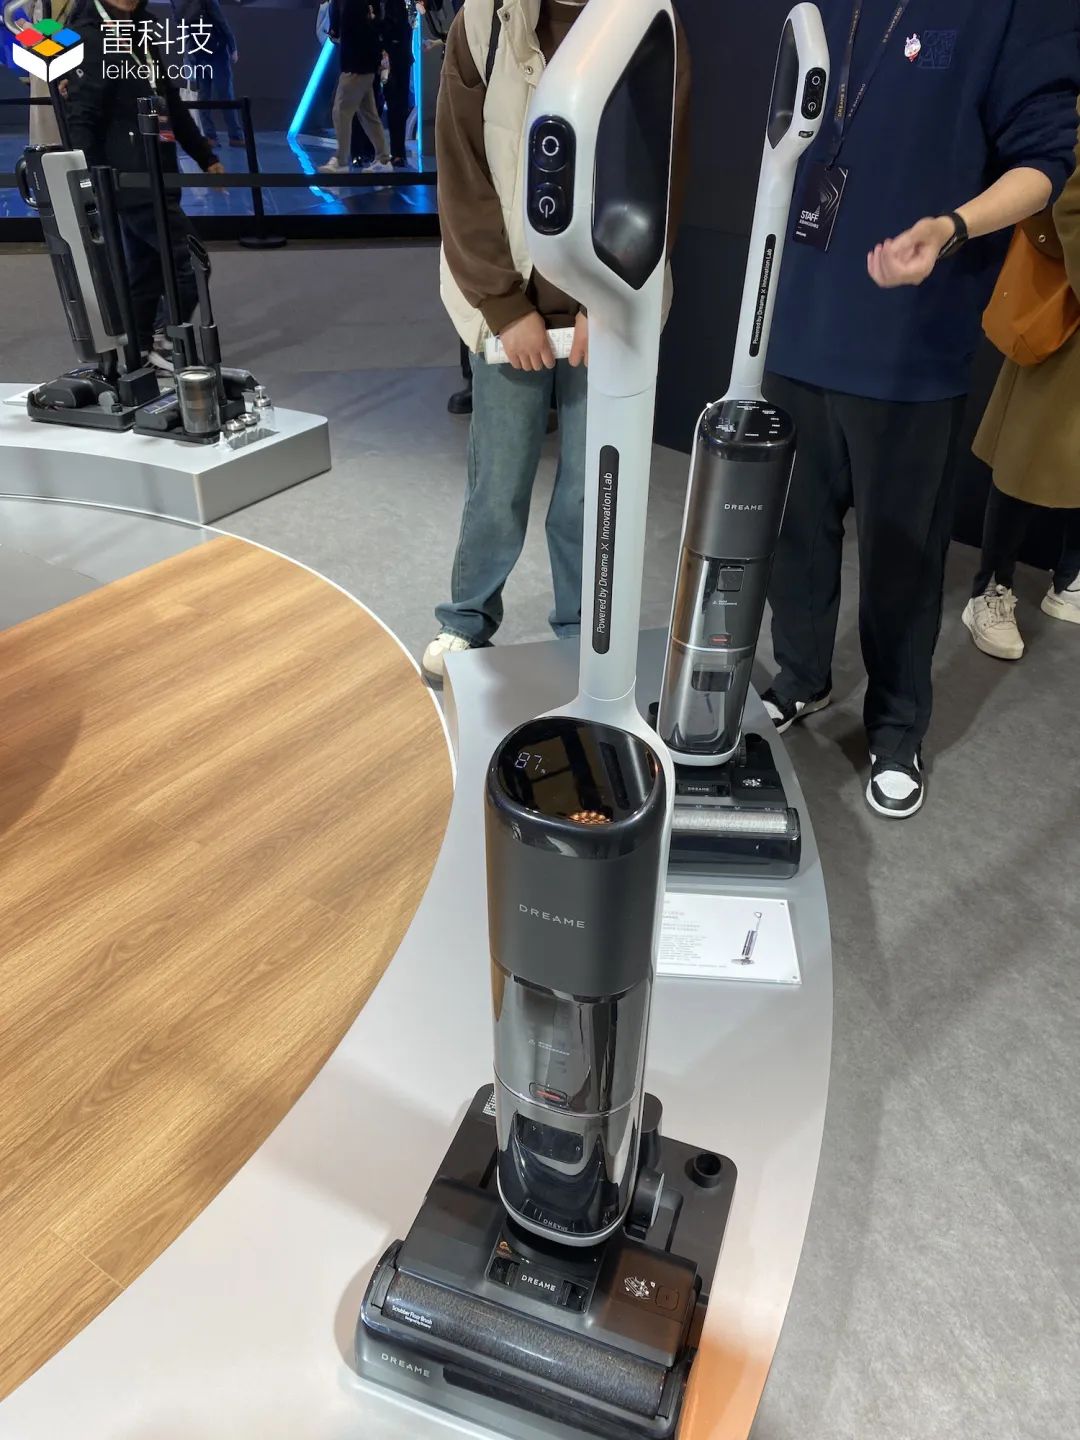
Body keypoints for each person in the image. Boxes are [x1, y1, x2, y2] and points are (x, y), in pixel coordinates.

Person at [763, 0, 1080, 819]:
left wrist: (950, 227)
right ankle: (800, 675)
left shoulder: (1012, 12)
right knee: (795, 530)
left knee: (902, 556)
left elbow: (1045, 162)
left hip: (910, 340)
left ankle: (897, 728)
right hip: (800, 318)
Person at [421, 0, 690, 685]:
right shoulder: (483, 21)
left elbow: (662, 170)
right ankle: (467, 619)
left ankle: (582, 628)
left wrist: (614, 295)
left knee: (594, 486)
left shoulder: (649, 19)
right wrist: (504, 306)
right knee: (498, 475)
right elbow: (461, 168)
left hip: (612, 305)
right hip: (509, 299)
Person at [963, 122, 1080, 660]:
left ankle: (1069, 577)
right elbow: (1069, 205)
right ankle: (990, 587)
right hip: (1067, 315)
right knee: (1026, 456)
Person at [64, 0, 224, 361]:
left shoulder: (142, 28)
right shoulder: (88, 36)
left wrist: (205, 156)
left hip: (160, 168)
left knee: (147, 270)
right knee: (190, 263)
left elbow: (169, 100)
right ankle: (165, 340)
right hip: (128, 178)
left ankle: (140, 353)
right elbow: (82, 119)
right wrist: (93, 184)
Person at [319, 0, 392, 174]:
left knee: (341, 111)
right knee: (368, 114)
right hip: (361, 65)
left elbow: (361, 30)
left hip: (356, 66)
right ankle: (383, 159)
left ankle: (341, 160)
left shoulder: (354, 4)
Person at [178, 0, 244, 147]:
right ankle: (227, 136)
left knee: (214, 96)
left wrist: (232, 46)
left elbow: (220, 22)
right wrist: (233, 47)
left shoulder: (183, 4)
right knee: (216, 96)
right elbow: (221, 22)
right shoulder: (185, 4)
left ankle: (220, 136)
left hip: (206, 52)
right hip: (206, 52)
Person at [379, 0, 414, 169]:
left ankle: (394, 153)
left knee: (394, 106)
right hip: (397, 57)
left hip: (394, 59)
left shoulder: (393, 10)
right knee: (395, 107)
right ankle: (397, 153)